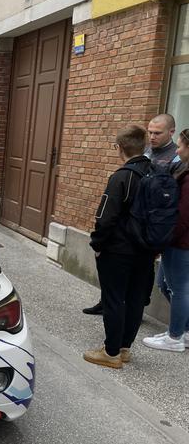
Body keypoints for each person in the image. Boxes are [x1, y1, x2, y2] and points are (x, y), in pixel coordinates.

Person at [83, 114, 180, 316]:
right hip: (128, 220)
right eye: (150, 132)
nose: (152, 137)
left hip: (149, 223)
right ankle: (109, 302)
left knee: (142, 273)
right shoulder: (143, 150)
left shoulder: (175, 157)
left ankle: (136, 306)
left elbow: (170, 196)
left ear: (171, 132)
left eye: (157, 133)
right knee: (117, 272)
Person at [83, 125, 156, 368]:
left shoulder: (121, 177)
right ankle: (124, 348)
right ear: (143, 146)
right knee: (135, 298)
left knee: (114, 299)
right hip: (145, 249)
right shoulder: (156, 172)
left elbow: (105, 218)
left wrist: (97, 244)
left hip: (119, 250)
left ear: (119, 148)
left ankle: (111, 353)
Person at [142, 128, 189, 352]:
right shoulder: (184, 170)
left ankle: (175, 337)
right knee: (164, 283)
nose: (177, 151)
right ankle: (183, 330)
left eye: (180, 146)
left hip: (180, 243)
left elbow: (182, 216)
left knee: (179, 289)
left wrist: (165, 239)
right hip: (177, 242)